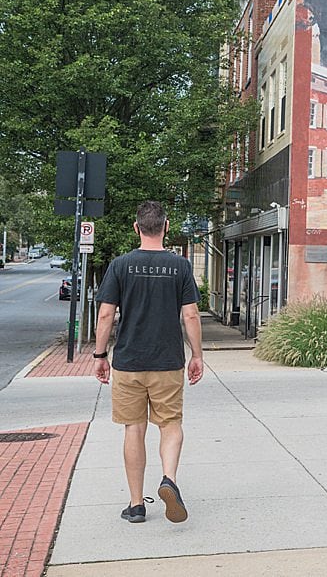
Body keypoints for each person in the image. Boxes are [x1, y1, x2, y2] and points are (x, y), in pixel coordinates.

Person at [93, 201, 203, 524]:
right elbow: (191, 314)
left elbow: (105, 313)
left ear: (136, 227)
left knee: (134, 429)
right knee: (171, 425)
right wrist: (196, 354)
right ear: (166, 227)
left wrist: (100, 356)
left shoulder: (120, 265)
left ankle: (137, 504)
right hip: (168, 361)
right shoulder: (180, 267)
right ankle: (168, 479)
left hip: (128, 361)